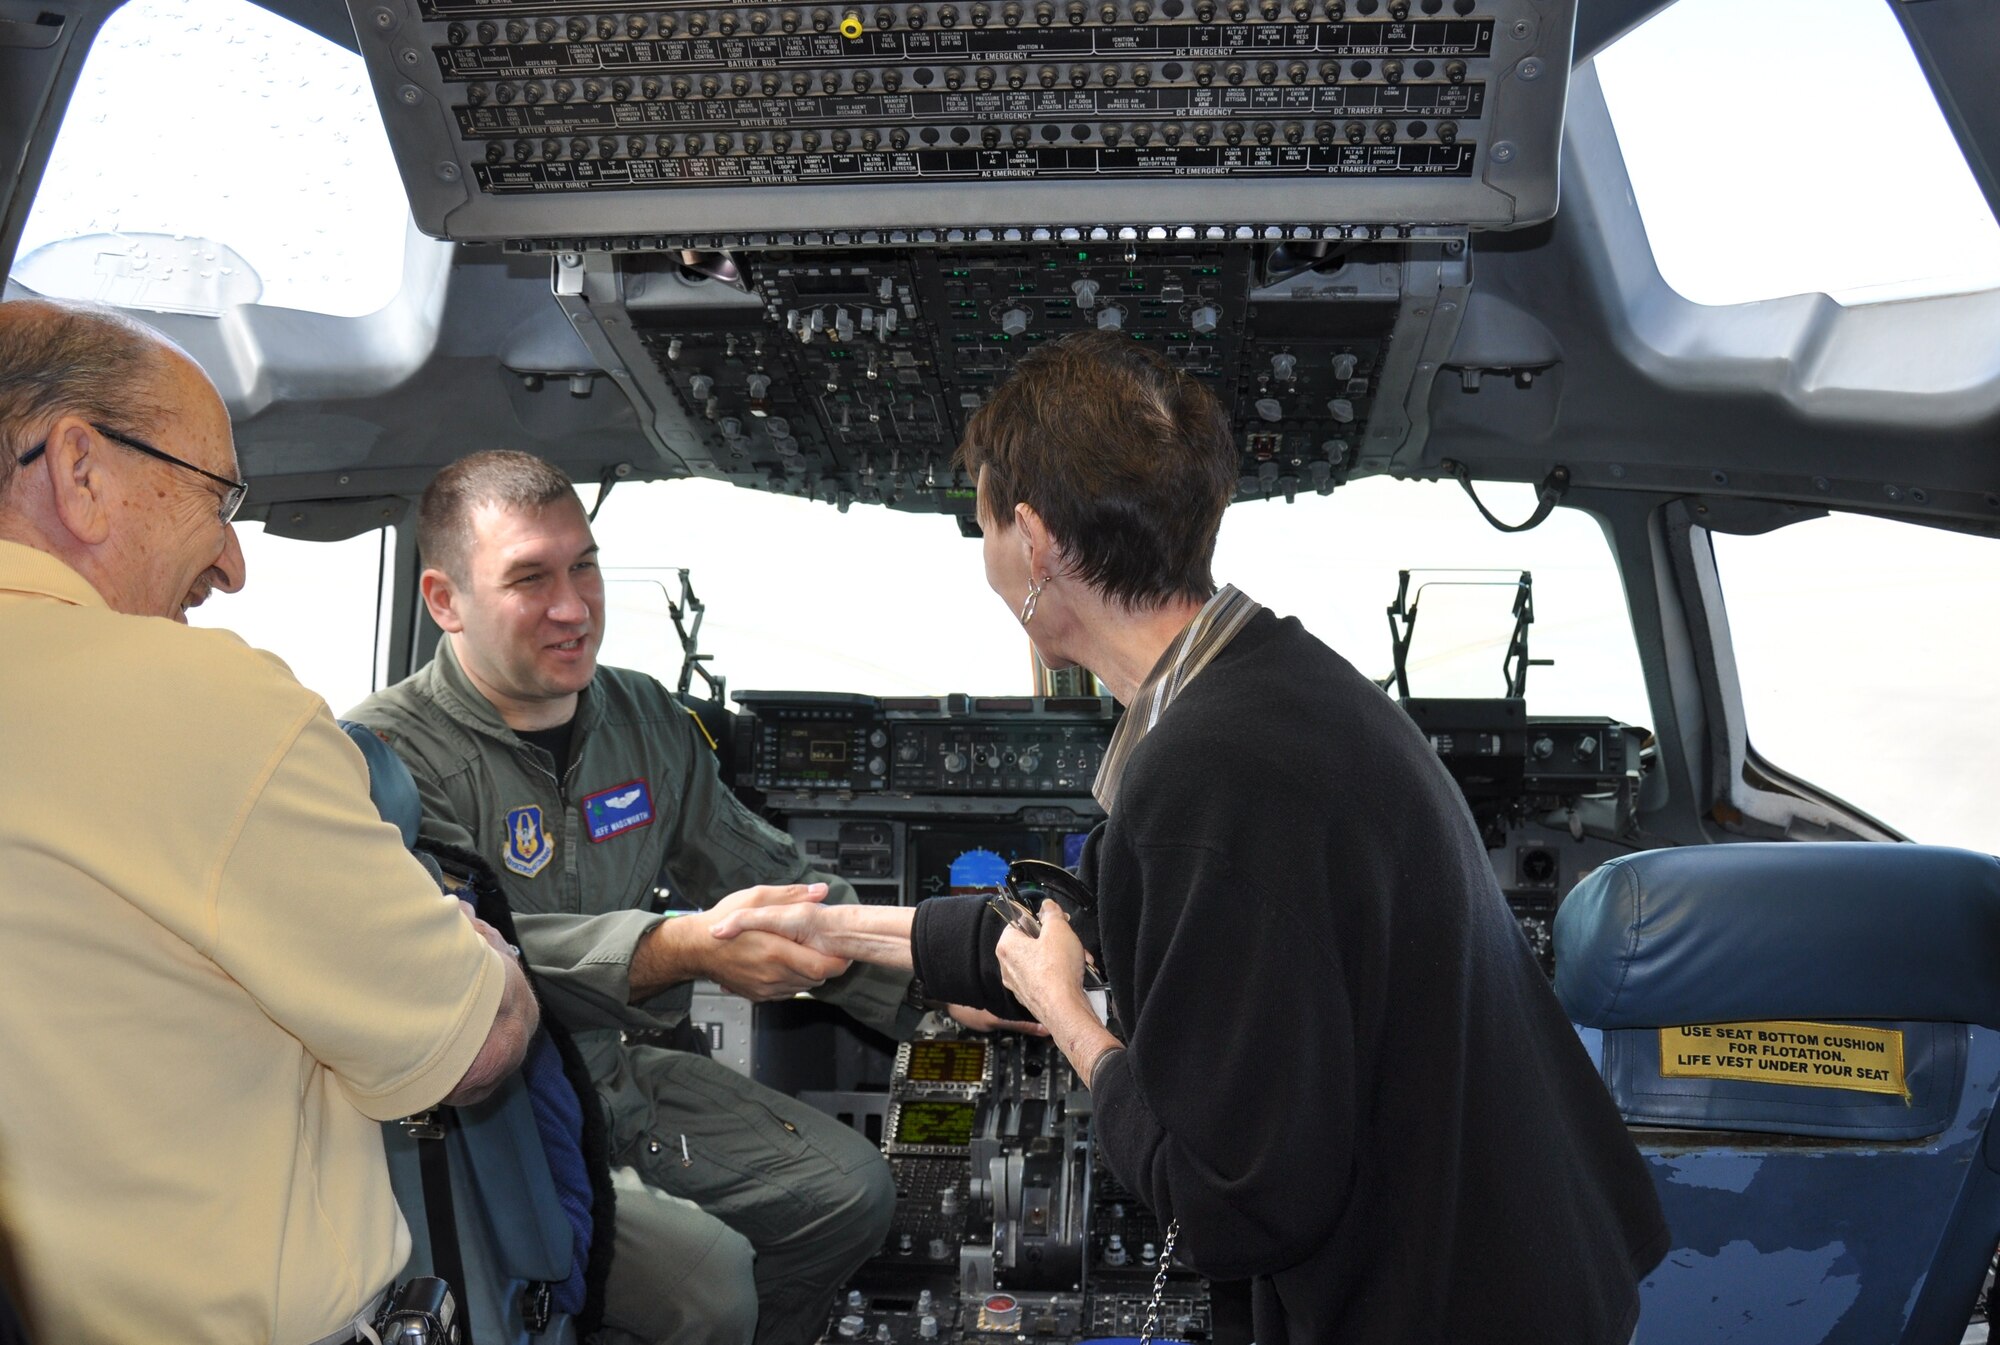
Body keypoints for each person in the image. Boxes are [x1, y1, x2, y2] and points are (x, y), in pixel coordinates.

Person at [710, 329, 1672, 1344]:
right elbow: (1100, 927)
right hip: (1511, 1249)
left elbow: (1232, 1204)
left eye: (980, 521)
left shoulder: (1210, 773)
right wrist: (837, 929)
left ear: (1034, 544)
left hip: (1455, 1303)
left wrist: (1077, 1029)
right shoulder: (1266, 683)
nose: (983, 547)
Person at [349, 451, 999, 1345]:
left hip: (622, 1075)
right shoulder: (386, 757)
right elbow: (469, 956)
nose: (574, 606)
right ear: (443, 600)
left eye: (584, 565)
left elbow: (766, 877)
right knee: (711, 1287)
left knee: (848, 1193)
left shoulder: (644, 719)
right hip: (489, 1115)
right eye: (529, 579)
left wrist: (938, 972)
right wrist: (681, 948)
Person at [0, 298, 540, 1344]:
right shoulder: (198, 706)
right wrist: (481, 949)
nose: (232, 561)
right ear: (78, 469)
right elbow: (477, 1039)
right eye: (217, 495)